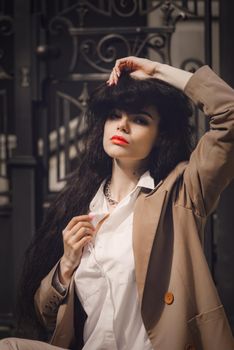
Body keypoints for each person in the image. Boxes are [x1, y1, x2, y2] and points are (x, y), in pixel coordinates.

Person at [1, 56, 234, 350]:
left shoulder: (181, 193)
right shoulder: (83, 204)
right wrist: (66, 265)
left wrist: (156, 70)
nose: (122, 125)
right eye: (114, 115)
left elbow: (230, 114)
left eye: (139, 120)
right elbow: (43, 315)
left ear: (160, 136)